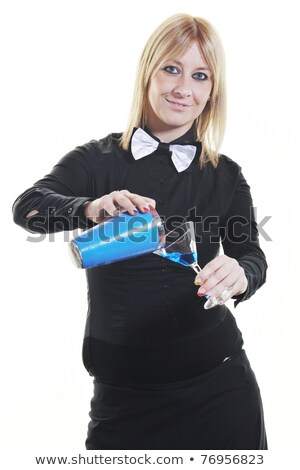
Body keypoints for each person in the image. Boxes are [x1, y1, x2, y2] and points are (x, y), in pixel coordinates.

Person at [12, 13, 268, 450]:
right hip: (123, 398)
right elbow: (28, 208)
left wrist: (241, 274)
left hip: (222, 390)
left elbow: (252, 256)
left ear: (212, 91)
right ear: (148, 72)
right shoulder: (96, 160)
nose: (183, 88)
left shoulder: (225, 175)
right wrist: (90, 207)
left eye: (200, 75)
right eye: (171, 68)